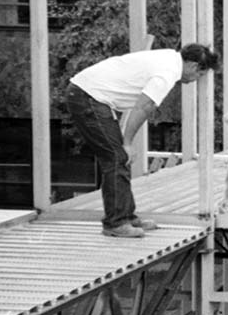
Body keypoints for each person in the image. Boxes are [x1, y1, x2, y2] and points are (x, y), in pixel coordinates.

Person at [67, 44, 219, 238]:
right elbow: (143, 107)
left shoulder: (168, 57)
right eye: (200, 75)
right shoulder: (167, 72)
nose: (196, 80)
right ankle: (116, 223)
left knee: (117, 157)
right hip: (88, 97)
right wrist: (128, 142)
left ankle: (126, 216)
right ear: (193, 65)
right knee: (116, 157)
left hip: (92, 96)